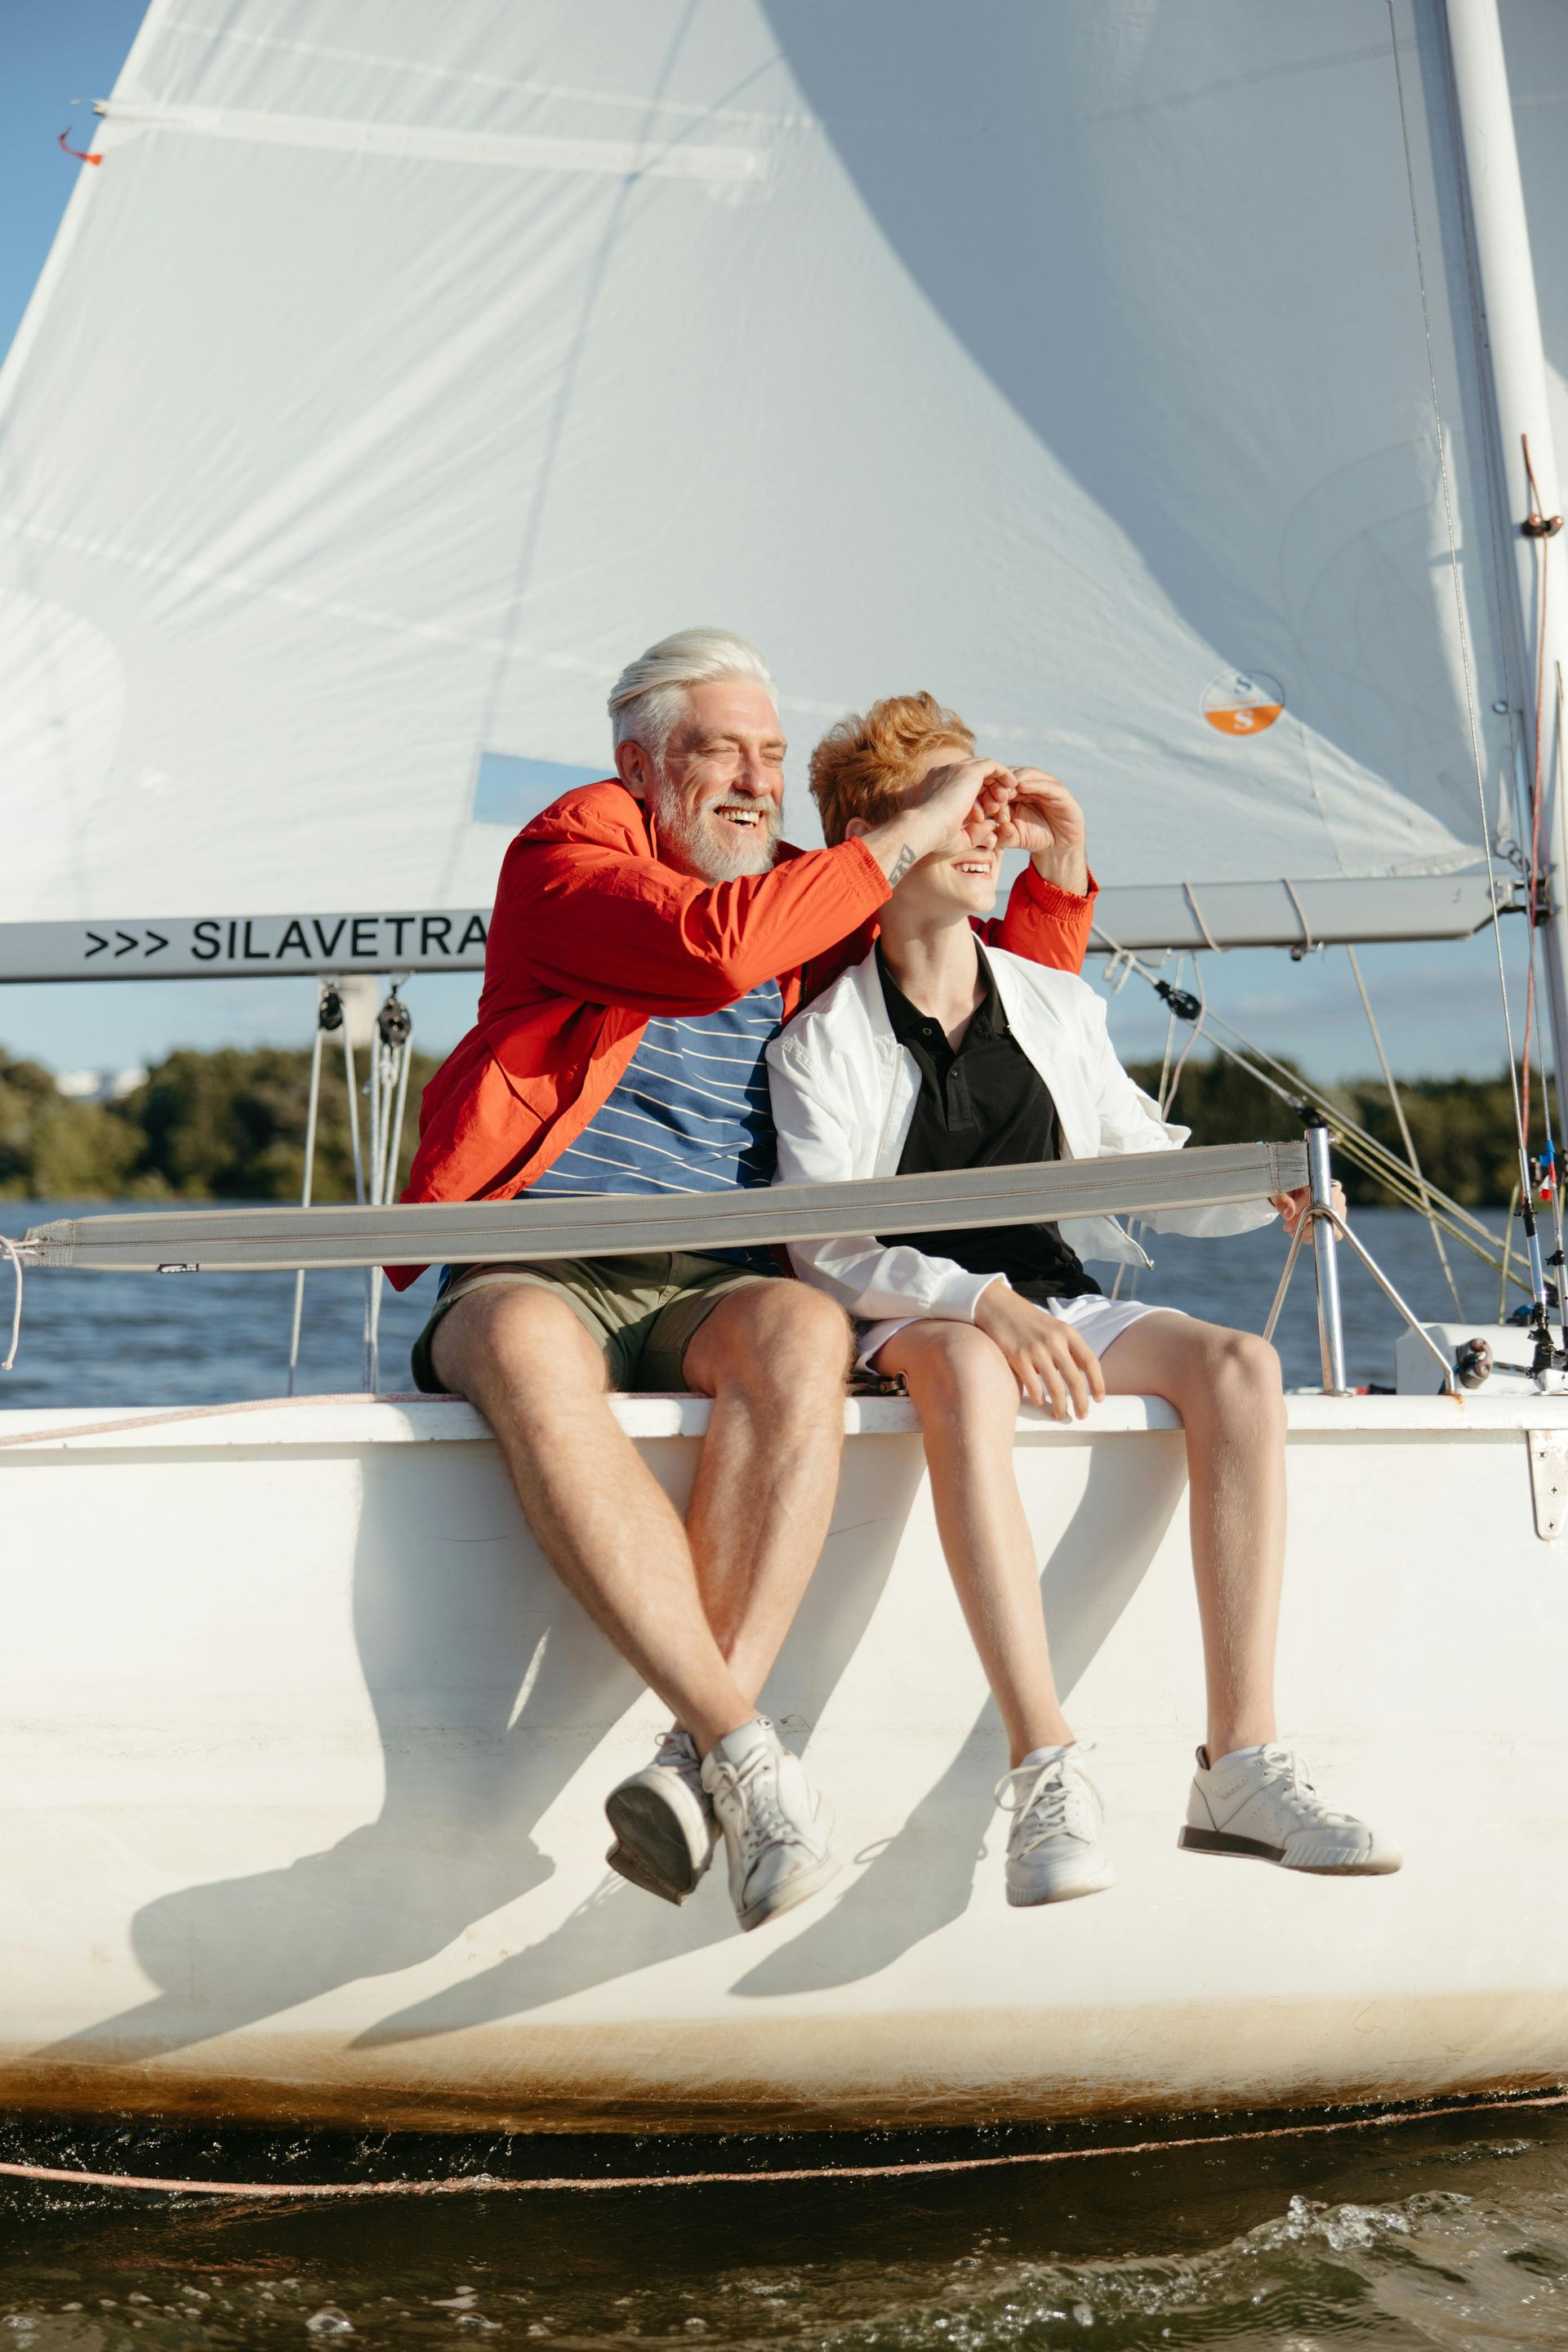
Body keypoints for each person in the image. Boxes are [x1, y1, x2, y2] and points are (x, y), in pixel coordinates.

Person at [389, 631, 1098, 1931]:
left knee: (801, 1329)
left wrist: (1047, 877)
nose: (755, 780)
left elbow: (983, 1001)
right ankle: (741, 1750)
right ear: (640, 765)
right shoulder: (568, 858)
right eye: (722, 750)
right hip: (539, 1251)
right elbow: (713, 951)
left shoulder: (799, 887)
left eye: (774, 755)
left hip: (714, 1274)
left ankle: (688, 1768)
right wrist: (891, 839)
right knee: (527, 1350)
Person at [766, 692, 1401, 1906]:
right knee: (961, 1365)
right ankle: (1042, 1762)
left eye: (989, 802)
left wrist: (1249, 1192)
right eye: (952, 802)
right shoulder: (823, 1041)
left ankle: (1243, 1763)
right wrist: (981, 1303)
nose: (984, 828)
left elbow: (1131, 1161)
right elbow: (828, 1244)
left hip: (1048, 1303)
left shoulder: (1051, 1002)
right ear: (876, 830)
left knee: (1240, 1369)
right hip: (912, 1316)